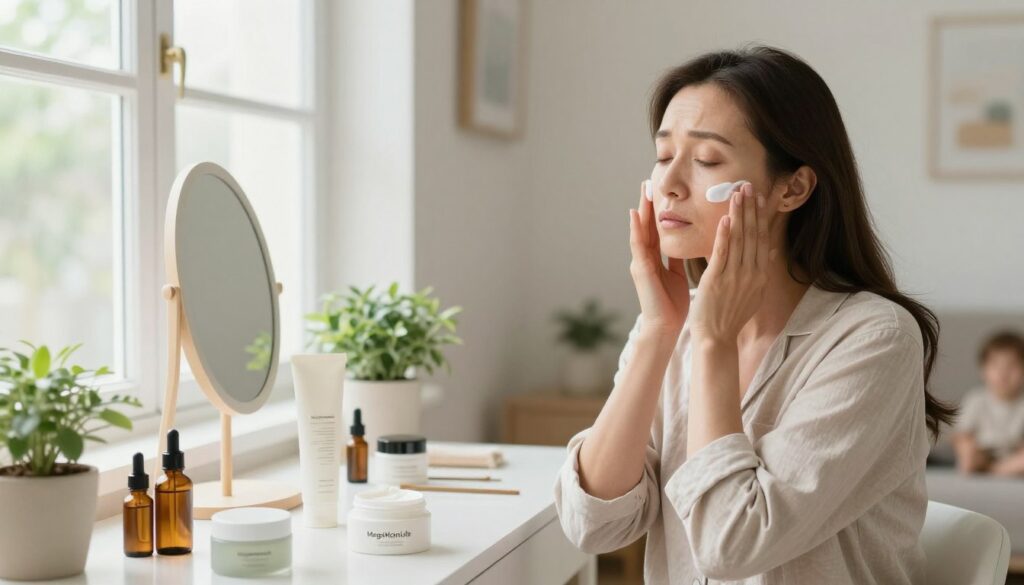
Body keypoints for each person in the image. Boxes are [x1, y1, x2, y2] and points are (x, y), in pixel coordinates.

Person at [553, 46, 955, 584]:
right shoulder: (675, 327)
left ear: (793, 188)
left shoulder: (875, 338)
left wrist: (714, 342)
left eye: (706, 160)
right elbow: (593, 526)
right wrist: (656, 332)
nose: (669, 183)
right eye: (663, 155)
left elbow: (732, 545)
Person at [951, 331, 1024, 476]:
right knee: (966, 447)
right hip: (983, 451)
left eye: (1012, 366)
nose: (1003, 374)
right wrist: (967, 448)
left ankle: (996, 470)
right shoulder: (976, 399)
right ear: (983, 370)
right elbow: (962, 434)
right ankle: (985, 467)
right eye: (995, 366)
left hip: (1012, 455)